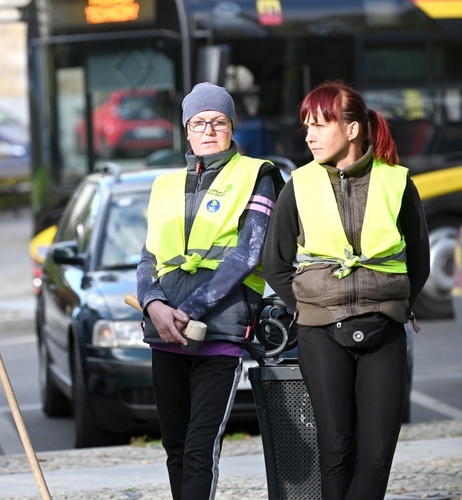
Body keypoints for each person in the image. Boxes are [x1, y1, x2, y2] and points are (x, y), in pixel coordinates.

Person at [262, 80, 430, 499]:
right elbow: (275, 263)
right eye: (306, 125)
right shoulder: (298, 185)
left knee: (377, 456)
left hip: (384, 330)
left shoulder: (397, 182)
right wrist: (309, 307)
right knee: (337, 449)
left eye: (320, 124)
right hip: (320, 334)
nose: (309, 135)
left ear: (352, 130)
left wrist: (393, 305)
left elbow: (419, 261)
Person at [136, 82, 284, 499]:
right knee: (175, 447)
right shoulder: (164, 185)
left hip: (219, 331)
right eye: (199, 122)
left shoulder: (258, 175)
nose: (208, 130)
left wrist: (192, 308)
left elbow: (248, 253)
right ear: (186, 130)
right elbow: (148, 257)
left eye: (219, 121)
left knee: (201, 447)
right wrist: (154, 305)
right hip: (165, 332)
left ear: (232, 127)